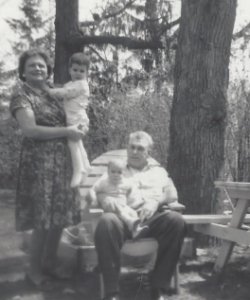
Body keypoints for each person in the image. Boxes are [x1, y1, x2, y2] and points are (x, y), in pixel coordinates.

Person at [9, 49, 84, 290]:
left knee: (59, 216)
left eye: (41, 65)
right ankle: (33, 271)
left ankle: (50, 263)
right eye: (32, 66)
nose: (37, 69)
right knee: (42, 218)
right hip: (39, 163)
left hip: (63, 161)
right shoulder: (21, 95)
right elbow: (30, 130)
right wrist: (66, 132)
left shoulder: (56, 91)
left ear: (48, 69)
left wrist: (80, 126)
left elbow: (75, 112)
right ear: (23, 71)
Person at [94, 131, 187, 300]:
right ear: (127, 149)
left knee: (176, 220)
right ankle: (111, 292)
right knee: (106, 221)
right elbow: (98, 190)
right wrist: (105, 199)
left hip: (153, 218)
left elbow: (172, 193)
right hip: (124, 217)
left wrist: (155, 201)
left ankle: (157, 286)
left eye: (140, 148)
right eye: (132, 147)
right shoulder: (116, 169)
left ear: (148, 153)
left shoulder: (158, 171)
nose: (135, 152)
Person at [45, 52, 91, 189]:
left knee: (72, 143)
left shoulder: (81, 84)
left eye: (82, 71)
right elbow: (64, 88)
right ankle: (86, 166)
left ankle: (78, 170)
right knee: (78, 143)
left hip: (77, 118)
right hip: (76, 118)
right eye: (75, 70)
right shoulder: (71, 83)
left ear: (87, 73)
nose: (78, 73)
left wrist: (48, 91)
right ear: (70, 70)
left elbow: (64, 93)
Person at [86, 158, 149, 239]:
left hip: (122, 205)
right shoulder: (103, 182)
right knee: (116, 205)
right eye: (113, 171)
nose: (116, 174)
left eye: (119, 172)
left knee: (133, 213)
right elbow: (93, 190)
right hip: (109, 206)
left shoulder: (126, 183)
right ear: (108, 172)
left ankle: (135, 231)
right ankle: (129, 220)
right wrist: (94, 199)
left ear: (124, 173)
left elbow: (131, 192)